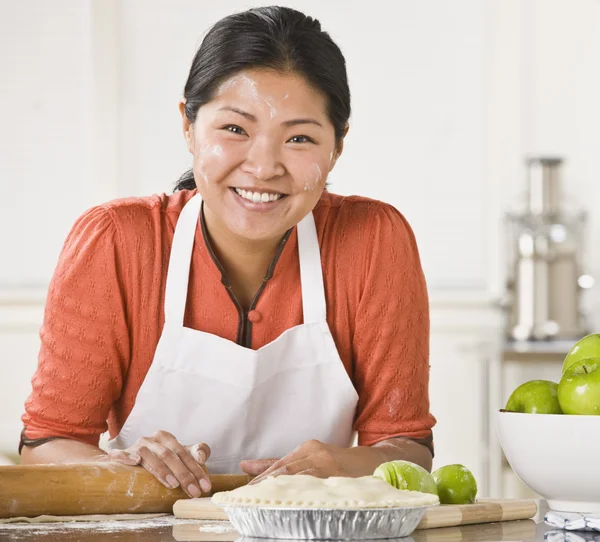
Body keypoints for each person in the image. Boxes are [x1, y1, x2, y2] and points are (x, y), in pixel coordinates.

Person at [20, 6, 436, 499]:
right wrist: (120, 464)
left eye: (299, 138)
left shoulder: (374, 241)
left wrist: (344, 463)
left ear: (337, 146)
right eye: (235, 130)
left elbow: (407, 448)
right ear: (188, 126)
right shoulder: (117, 242)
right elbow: (47, 442)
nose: (262, 168)